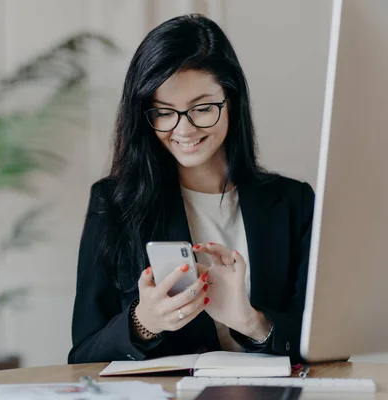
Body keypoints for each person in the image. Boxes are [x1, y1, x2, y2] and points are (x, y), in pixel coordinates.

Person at [68, 14, 314, 364]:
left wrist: (251, 321)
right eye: (164, 112)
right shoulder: (114, 203)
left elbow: (323, 342)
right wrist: (144, 323)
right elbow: (82, 357)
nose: (183, 129)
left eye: (201, 108)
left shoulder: (295, 203)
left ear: (232, 101)